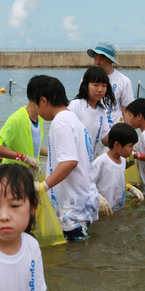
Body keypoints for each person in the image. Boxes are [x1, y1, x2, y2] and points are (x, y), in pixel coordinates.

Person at [31, 75, 99, 241]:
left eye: (35, 104)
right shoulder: (72, 118)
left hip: (72, 208)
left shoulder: (60, 122)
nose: (36, 111)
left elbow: (69, 162)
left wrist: (42, 187)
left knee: (72, 255)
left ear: (43, 101)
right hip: (81, 201)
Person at [0, 76, 48, 173]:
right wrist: (24, 158)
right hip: (13, 174)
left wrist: (51, 153)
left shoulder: (39, 117)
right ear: (43, 100)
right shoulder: (17, 119)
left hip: (30, 172)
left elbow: (32, 146)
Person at [92, 123, 142, 216]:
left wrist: (130, 188)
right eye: (130, 146)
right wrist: (97, 197)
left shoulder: (123, 161)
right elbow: (87, 184)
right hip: (102, 210)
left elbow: (116, 181)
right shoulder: (101, 162)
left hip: (117, 208)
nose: (132, 150)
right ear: (116, 145)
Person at [69, 66, 115, 160]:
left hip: (90, 162)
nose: (100, 90)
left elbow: (105, 140)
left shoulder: (101, 111)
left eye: (104, 86)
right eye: (95, 85)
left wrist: (119, 132)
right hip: (73, 161)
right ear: (86, 86)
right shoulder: (75, 106)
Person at [86, 42, 134, 126]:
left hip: (113, 130)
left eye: (101, 59)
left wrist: (128, 134)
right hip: (92, 127)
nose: (97, 62)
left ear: (111, 60)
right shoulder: (86, 78)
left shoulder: (124, 81)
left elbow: (126, 111)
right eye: (95, 58)